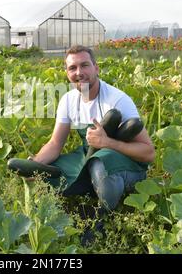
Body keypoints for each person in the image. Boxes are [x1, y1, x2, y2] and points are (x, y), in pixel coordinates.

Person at [30, 45, 155, 211]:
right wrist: (35, 166)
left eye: (85, 65)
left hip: (124, 161)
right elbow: (55, 143)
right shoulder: (68, 100)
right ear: (67, 74)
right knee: (50, 172)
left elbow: (149, 153)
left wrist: (108, 143)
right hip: (87, 153)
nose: (79, 72)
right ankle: (86, 187)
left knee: (98, 165)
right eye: (72, 68)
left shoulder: (117, 100)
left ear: (96, 68)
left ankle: (102, 215)